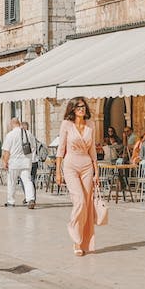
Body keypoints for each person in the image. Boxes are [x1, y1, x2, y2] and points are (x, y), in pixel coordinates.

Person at [55, 98, 100, 257]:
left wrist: (96, 171)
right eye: (78, 106)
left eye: (83, 106)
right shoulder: (66, 125)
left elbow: (93, 148)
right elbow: (61, 149)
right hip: (71, 165)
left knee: (86, 204)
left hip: (87, 166)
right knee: (79, 201)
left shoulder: (91, 124)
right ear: (73, 109)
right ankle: (75, 238)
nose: (81, 109)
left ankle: (82, 242)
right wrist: (58, 171)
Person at [1, 118, 37, 209]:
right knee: (27, 181)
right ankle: (30, 199)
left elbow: (6, 151)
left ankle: (11, 201)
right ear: (19, 123)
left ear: (12, 124)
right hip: (26, 162)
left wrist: (5, 162)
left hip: (14, 162)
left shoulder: (10, 135)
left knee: (12, 182)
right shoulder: (28, 133)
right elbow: (33, 146)